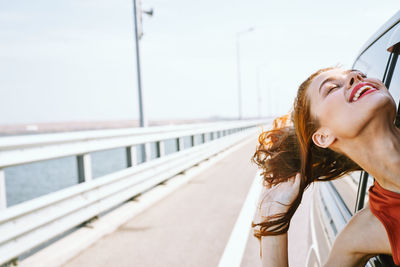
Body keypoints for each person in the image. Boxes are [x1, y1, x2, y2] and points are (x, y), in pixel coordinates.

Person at [252, 67, 400, 266]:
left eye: (361, 75)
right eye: (332, 88)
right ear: (323, 137)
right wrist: (274, 222)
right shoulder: (366, 230)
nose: (355, 77)